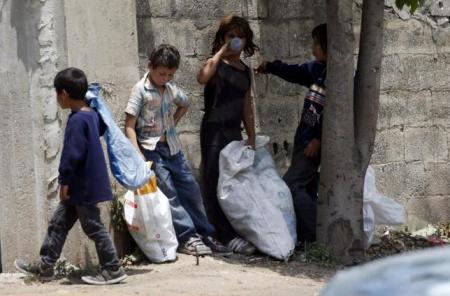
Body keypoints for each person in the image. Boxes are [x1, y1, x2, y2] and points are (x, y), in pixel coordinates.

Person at [14, 68, 127, 285]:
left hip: (81, 186)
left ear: (64, 94)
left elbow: (71, 155)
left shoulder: (77, 120)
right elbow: (102, 128)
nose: (56, 99)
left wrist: (64, 182)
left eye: (56, 94)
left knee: (93, 226)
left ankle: (112, 268)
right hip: (85, 185)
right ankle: (46, 267)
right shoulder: (92, 115)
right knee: (59, 223)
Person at [124, 44, 231, 256]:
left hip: (173, 148)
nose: (165, 78)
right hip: (151, 150)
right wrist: (138, 154)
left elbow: (185, 103)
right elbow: (129, 126)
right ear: (150, 66)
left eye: (170, 75)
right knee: (170, 194)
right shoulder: (140, 90)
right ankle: (188, 237)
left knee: (191, 190)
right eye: (161, 73)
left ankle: (205, 234)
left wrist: (171, 123)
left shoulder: (171, 89)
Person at [255, 23, 327, 243]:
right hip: (303, 140)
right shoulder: (317, 71)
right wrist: (270, 67)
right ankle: (308, 235)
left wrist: (319, 139)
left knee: (292, 185)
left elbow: (337, 114)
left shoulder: (341, 77)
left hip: (312, 144)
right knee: (306, 186)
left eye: (316, 43)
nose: (312, 48)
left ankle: (316, 237)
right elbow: (294, 72)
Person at [197, 14, 258, 255]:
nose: (235, 41)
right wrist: (222, 51)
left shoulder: (245, 71)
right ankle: (220, 235)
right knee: (213, 179)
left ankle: (233, 231)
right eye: (231, 36)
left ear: (246, 41)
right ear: (223, 38)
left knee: (231, 183)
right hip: (213, 129)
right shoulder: (215, 64)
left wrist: (251, 135)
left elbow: (247, 105)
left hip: (233, 132)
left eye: (240, 37)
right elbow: (201, 77)